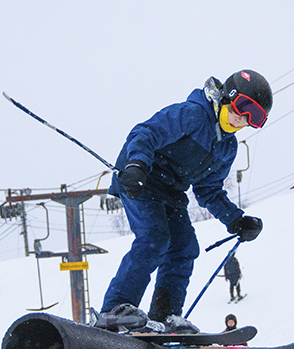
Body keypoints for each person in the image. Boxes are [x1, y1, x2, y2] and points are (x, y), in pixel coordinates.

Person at [95, 70, 272, 333]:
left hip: (171, 192)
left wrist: (235, 219)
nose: (242, 118)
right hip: (141, 180)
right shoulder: (193, 115)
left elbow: (209, 190)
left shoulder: (227, 147)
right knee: (154, 237)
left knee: (185, 247)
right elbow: (145, 132)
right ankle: (115, 309)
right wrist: (136, 164)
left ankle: (166, 316)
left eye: (255, 118)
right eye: (243, 107)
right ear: (227, 97)